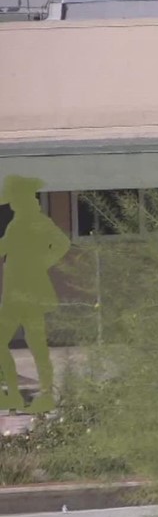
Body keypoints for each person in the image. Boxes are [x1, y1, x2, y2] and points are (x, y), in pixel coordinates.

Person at [0, 175, 71, 413]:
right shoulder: (17, 223)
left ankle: (46, 394)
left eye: (14, 199)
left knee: (37, 344)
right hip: (14, 294)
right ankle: (13, 395)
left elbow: (62, 243)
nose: (11, 204)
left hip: (29, 294)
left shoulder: (38, 221)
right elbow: (5, 247)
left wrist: (43, 262)